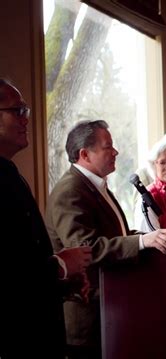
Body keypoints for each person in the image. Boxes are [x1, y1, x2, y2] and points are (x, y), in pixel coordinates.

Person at [45, 120, 166, 358]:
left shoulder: (95, 185)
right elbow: (85, 249)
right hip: (87, 321)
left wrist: (150, 237)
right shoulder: (70, 190)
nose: (116, 152)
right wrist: (142, 242)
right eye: (108, 147)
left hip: (110, 311)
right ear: (84, 154)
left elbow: (115, 236)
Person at [0, 79, 92, 358]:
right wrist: (61, 265)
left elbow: (23, 260)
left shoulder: (10, 173)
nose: (26, 119)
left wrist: (64, 282)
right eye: (18, 111)